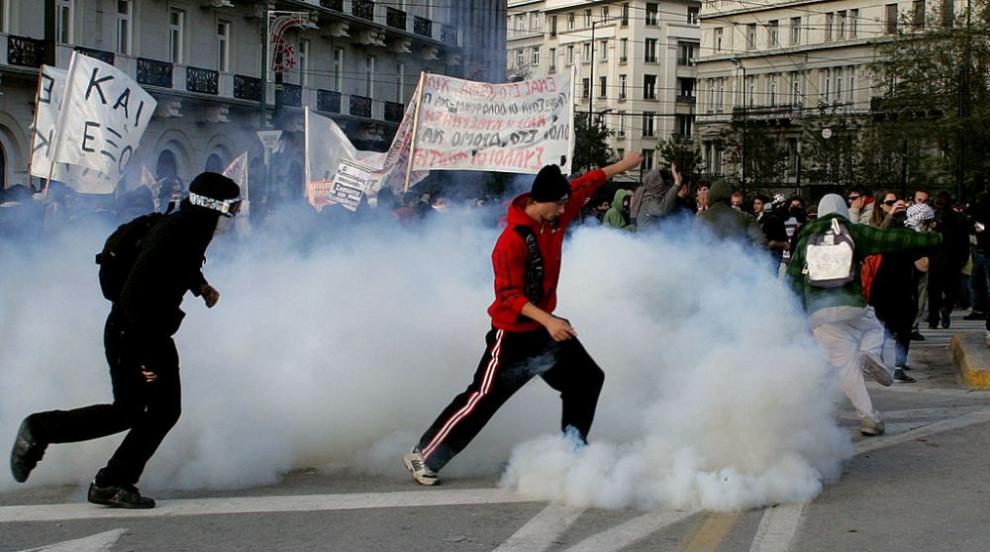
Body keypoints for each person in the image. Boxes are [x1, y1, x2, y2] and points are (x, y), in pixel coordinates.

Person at [402, 152, 644, 486]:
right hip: (512, 334)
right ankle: (424, 455)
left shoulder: (556, 214)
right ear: (537, 201)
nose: (564, 212)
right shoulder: (511, 241)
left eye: (564, 205)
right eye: (558, 206)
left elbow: (587, 184)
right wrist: (548, 320)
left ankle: (572, 454)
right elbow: (509, 297)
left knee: (587, 379)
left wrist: (623, 166)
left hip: (544, 329)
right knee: (482, 398)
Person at [9, 172, 242, 508]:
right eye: (229, 209)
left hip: (144, 332)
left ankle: (58, 442)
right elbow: (134, 295)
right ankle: (96, 469)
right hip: (135, 333)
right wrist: (145, 356)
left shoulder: (189, 229)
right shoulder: (174, 232)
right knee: (151, 411)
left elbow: (179, 265)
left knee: (138, 411)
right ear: (210, 207)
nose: (231, 218)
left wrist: (200, 286)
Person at [787, 194, 941, 436]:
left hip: (820, 313)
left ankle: (867, 417)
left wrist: (797, 315)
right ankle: (869, 356)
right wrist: (933, 238)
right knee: (874, 328)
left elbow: (792, 279)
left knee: (845, 367)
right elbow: (891, 239)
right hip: (852, 305)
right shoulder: (852, 231)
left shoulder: (806, 237)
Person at [697, 180, 767, 247]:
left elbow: (694, 244)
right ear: (729, 197)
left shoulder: (701, 218)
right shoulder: (745, 217)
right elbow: (761, 242)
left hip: (709, 258)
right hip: (740, 257)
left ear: (711, 196)